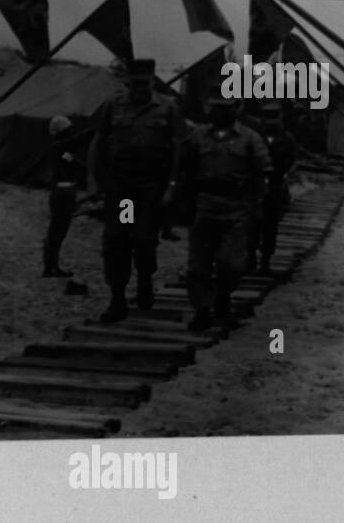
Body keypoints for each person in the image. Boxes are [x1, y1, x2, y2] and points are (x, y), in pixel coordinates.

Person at [88, 59, 184, 323]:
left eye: (145, 83)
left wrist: (172, 186)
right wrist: (93, 180)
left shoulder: (167, 107)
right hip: (122, 188)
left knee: (143, 240)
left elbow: (178, 147)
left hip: (151, 188)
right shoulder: (113, 105)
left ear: (153, 81)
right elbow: (98, 141)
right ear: (129, 81)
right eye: (136, 83)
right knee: (117, 239)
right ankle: (117, 298)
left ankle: (144, 279)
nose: (140, 88)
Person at [181, 95, 272, 332]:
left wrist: (259, 207)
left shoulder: (250, 138)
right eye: (217, 107)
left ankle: (223, 295)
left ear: (237, 108)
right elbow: (186, 168)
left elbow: (263, 173)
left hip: (237, 207)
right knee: (198, 264)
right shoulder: (198, 136)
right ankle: (202, 309)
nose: (221, 112)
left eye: (227, 108)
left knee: (230, 262)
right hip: (205, 204)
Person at [250, 108, 298, 275]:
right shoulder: (254, 137)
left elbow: (292, 160)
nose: (272, 123)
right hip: (255, 187)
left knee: (270, 225)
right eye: (268, 119)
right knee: (252, 223)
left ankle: (265, 260)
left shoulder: (287, 139)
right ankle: (251, 258)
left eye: (275, 119)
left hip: (276, 186)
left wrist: (283, 174)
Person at [42, 114, 86, 277]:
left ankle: (51, 265)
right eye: (68, 130)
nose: (71, 133)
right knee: (57, 231)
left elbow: (77, 165)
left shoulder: (61, 150)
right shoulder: (60, 147)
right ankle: (50, 267)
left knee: (58, 231)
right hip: (63, 193)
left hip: (63, 192)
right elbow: (79, 141)